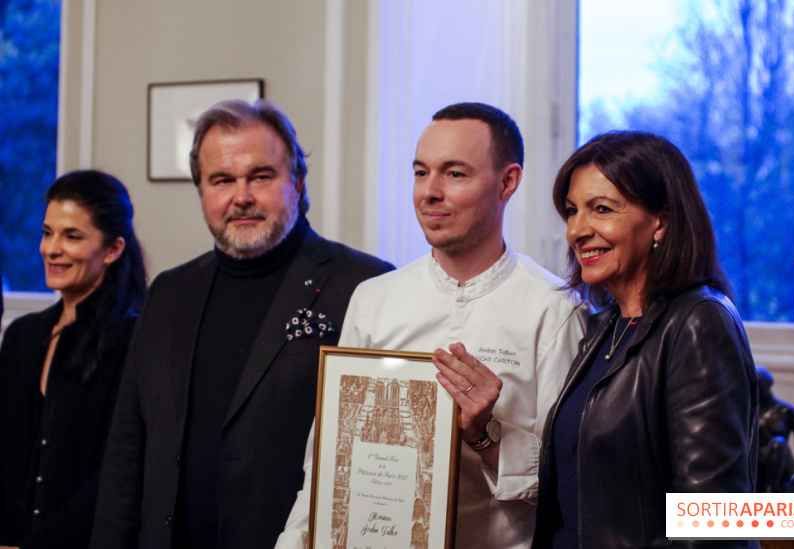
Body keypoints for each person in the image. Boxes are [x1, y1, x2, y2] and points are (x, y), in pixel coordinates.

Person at [276, 102, 588, 549]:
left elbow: (573, 479)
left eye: (454, 173)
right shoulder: (373, 300)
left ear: (507, 182)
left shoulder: (554, 310)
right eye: (421, 172)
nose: (429, 192)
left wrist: (487, 433)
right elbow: (328, 457)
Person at [90, 99, 393, 549]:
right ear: (202, 190)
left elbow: (385, 455)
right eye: (222, 180)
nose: (242, 196)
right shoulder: (169, 293)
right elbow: (126, 453)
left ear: (298, 182)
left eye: (261, 176)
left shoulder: (365, 287)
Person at [533, 131, 759, 548]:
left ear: (662, 221)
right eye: (572, 211)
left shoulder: (699, 323)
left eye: (602, 209)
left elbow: (713, 525)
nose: (576, 230)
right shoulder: (604, 327)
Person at [0, 170, 148, 549]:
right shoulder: (22, 336)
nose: (51, 249)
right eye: (47, 232)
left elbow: (116, 474)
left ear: (113, 249)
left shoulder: (134, 340)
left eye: (72, 236)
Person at [755, 365, 794, 493]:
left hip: (781, 463)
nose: (758, 391)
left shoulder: (786, 411)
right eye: (755, 387)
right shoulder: (752, 412)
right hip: (757, 462)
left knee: (778, 442)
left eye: (760, 386)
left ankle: (774, 489)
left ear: (767, 385)